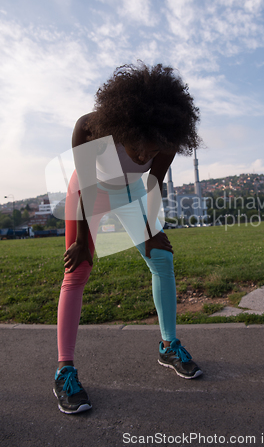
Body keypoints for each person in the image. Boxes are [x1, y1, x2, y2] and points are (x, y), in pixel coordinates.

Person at [53, 63, 203, 414]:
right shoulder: (90, 129)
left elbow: (152, 184)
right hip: (90, 190)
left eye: (150, 152)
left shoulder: (165, 141)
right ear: (125, 128)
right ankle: (65, 370)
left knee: (162, 259)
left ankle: (168, 346)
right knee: (77, 271)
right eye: (138, 148)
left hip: (132, 193)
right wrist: (81, 240)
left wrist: (151, 232)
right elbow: (86, 188)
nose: (142, 156)